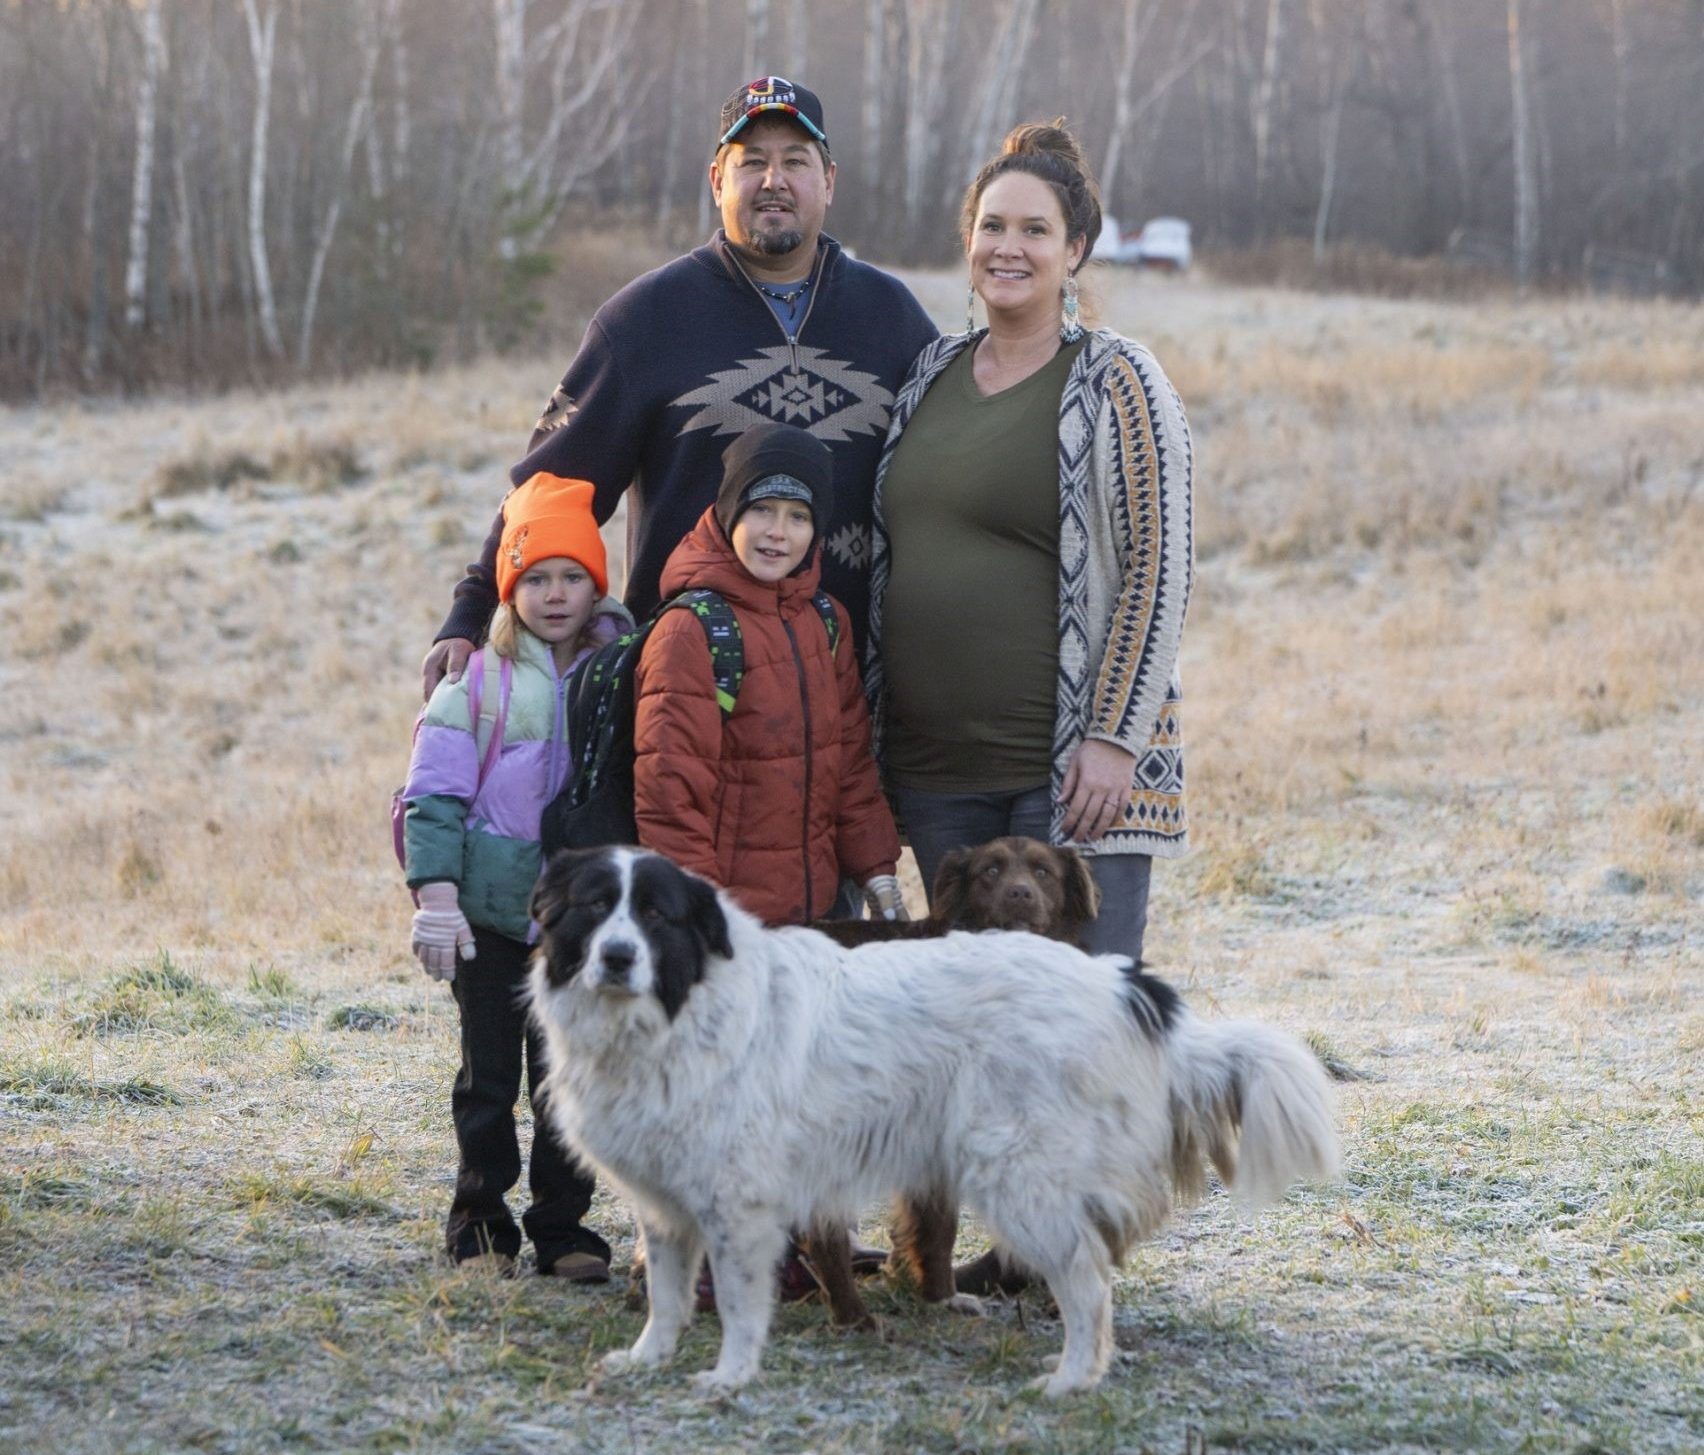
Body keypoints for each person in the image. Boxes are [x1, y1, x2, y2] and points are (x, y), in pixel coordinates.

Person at [863, 121, 1194, 1294]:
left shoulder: (1117, 380)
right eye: (992, 226)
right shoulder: (930, 379)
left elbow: (1158, 562)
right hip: (936, 771)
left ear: (1079, 248)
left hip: (1073, 771)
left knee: (1084, 1027)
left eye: (1035, 231)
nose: (1010, 248)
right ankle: (953, 1253)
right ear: (969, 242)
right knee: (962, 1029)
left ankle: (1073, 1254)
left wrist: (1113, 732)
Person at [421, 76, 938, 700]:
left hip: (855, 695)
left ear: (829, 180)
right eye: (752, 163)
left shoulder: (892, 318)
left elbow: (944, 483)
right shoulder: (645, 320)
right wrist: (472, 610)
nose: (773, 180)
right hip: (690, 693)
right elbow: (553, 489)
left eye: (795, 162)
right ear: (717, 180)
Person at [401, 473, 633, 1281]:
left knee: (568, 1081)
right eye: (535, 577)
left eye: (573, 576)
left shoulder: (620, 671)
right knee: (490, 1081)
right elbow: (433, 792)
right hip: (491, 921)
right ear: (510, 587)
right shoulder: (481, 683)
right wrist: (436, 898)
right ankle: (479, 1224)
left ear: (596, 583)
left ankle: (565, 1228)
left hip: (577, 927)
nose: (556, 593)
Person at [635, 421, 904, 928]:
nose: (778, 532)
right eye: (761, 509)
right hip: (728, 923)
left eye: (798, 516)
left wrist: (878, 872)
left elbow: (849, 765)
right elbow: (669, 793)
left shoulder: (826, 621)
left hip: (817, 914)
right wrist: (700, 913)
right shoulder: (692, 630)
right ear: (729, 509)